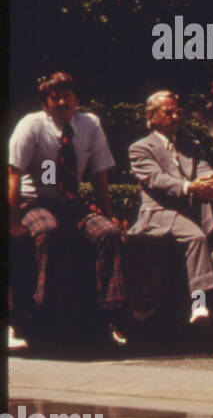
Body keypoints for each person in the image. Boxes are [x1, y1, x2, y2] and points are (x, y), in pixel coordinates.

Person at [7, 72, 127, 346]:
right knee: (47, 229)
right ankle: (37, 313)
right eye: (55, 97)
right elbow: (13, 173)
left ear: (76, 99)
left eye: (67, 96)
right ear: (45, 103)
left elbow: (99, 174)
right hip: (35, 201)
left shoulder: (90, 124)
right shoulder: (32, 125)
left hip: (70, 203)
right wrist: (12, 220)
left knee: (108, 233)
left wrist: (110, 215)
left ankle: (112, 317)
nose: (62, 102)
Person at [128, 91, 213, 325]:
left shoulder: (189, 145)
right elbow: (156, 179)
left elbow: (204, 169)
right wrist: (190, 187)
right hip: (159, 212)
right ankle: (199, 305)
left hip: (187, 210)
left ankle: (212, 246)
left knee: (206, 196)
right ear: (150, 116)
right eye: (168, 112)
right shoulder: (140, 148)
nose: (175, 117)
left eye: (178, 112)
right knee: (196, 237)